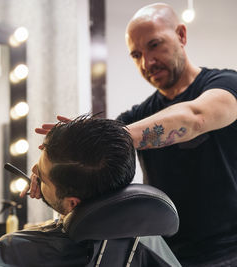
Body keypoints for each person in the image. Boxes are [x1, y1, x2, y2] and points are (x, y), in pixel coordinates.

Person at [35, 3, 237, 266]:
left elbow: (196, 117)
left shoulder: (225, 85)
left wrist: (114, 136)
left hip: (229, 251)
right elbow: (94, 169)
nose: (147, 62)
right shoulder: (135, 116)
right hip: (166, 254)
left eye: (154, 45)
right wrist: (51, 169)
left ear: (181, 35)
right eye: (136, 54)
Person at [0, 115, 180, 267]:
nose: (33, 174)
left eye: (42, 177)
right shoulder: (148, 243)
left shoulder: (14, 250)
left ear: (72, 203)